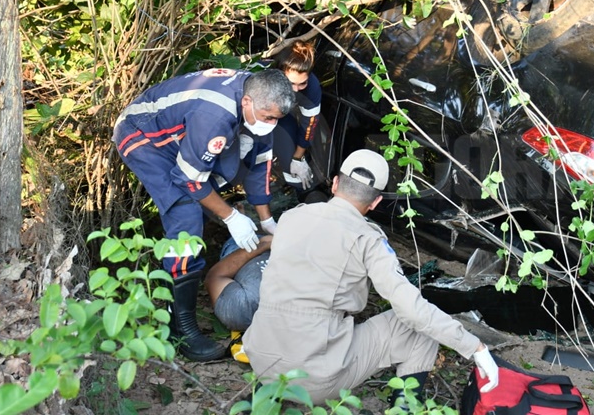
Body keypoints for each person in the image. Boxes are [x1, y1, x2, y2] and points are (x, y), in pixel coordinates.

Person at [243, 149, 500, 403]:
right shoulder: (368, 239)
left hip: (262, 363)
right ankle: (405, 409)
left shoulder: (291, 217)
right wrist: (474, 347)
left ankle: (273, 403)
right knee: (417, 327)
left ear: (335, 184)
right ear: (375, 202)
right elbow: (410, 309)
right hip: (314, 377)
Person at [112, 67, 295, 361]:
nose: (271, 124)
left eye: (277, 119)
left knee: (218, 179)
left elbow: (260, 167)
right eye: (268, 116)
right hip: (143, 135)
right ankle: (179, 328)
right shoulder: (215, 115)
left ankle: (179, 281)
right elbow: (189, 178)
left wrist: (267, 221)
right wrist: (232, 217)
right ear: (247, 102)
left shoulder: (259, 99)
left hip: (180, 134)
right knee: (185, 214)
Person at [205, 234, 273, 363]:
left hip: (244, 245)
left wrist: (263, 244)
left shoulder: (241, 310)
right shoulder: (310, 303)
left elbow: (214, 276)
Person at [270, 40, 322, 190]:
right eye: (291, 83)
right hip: (256, 114)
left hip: (284, 116)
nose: (296, 90)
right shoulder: (263, 74)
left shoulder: (312, 89)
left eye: (302, 84)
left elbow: (309, 125)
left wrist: (297, 158)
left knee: (295, 176)